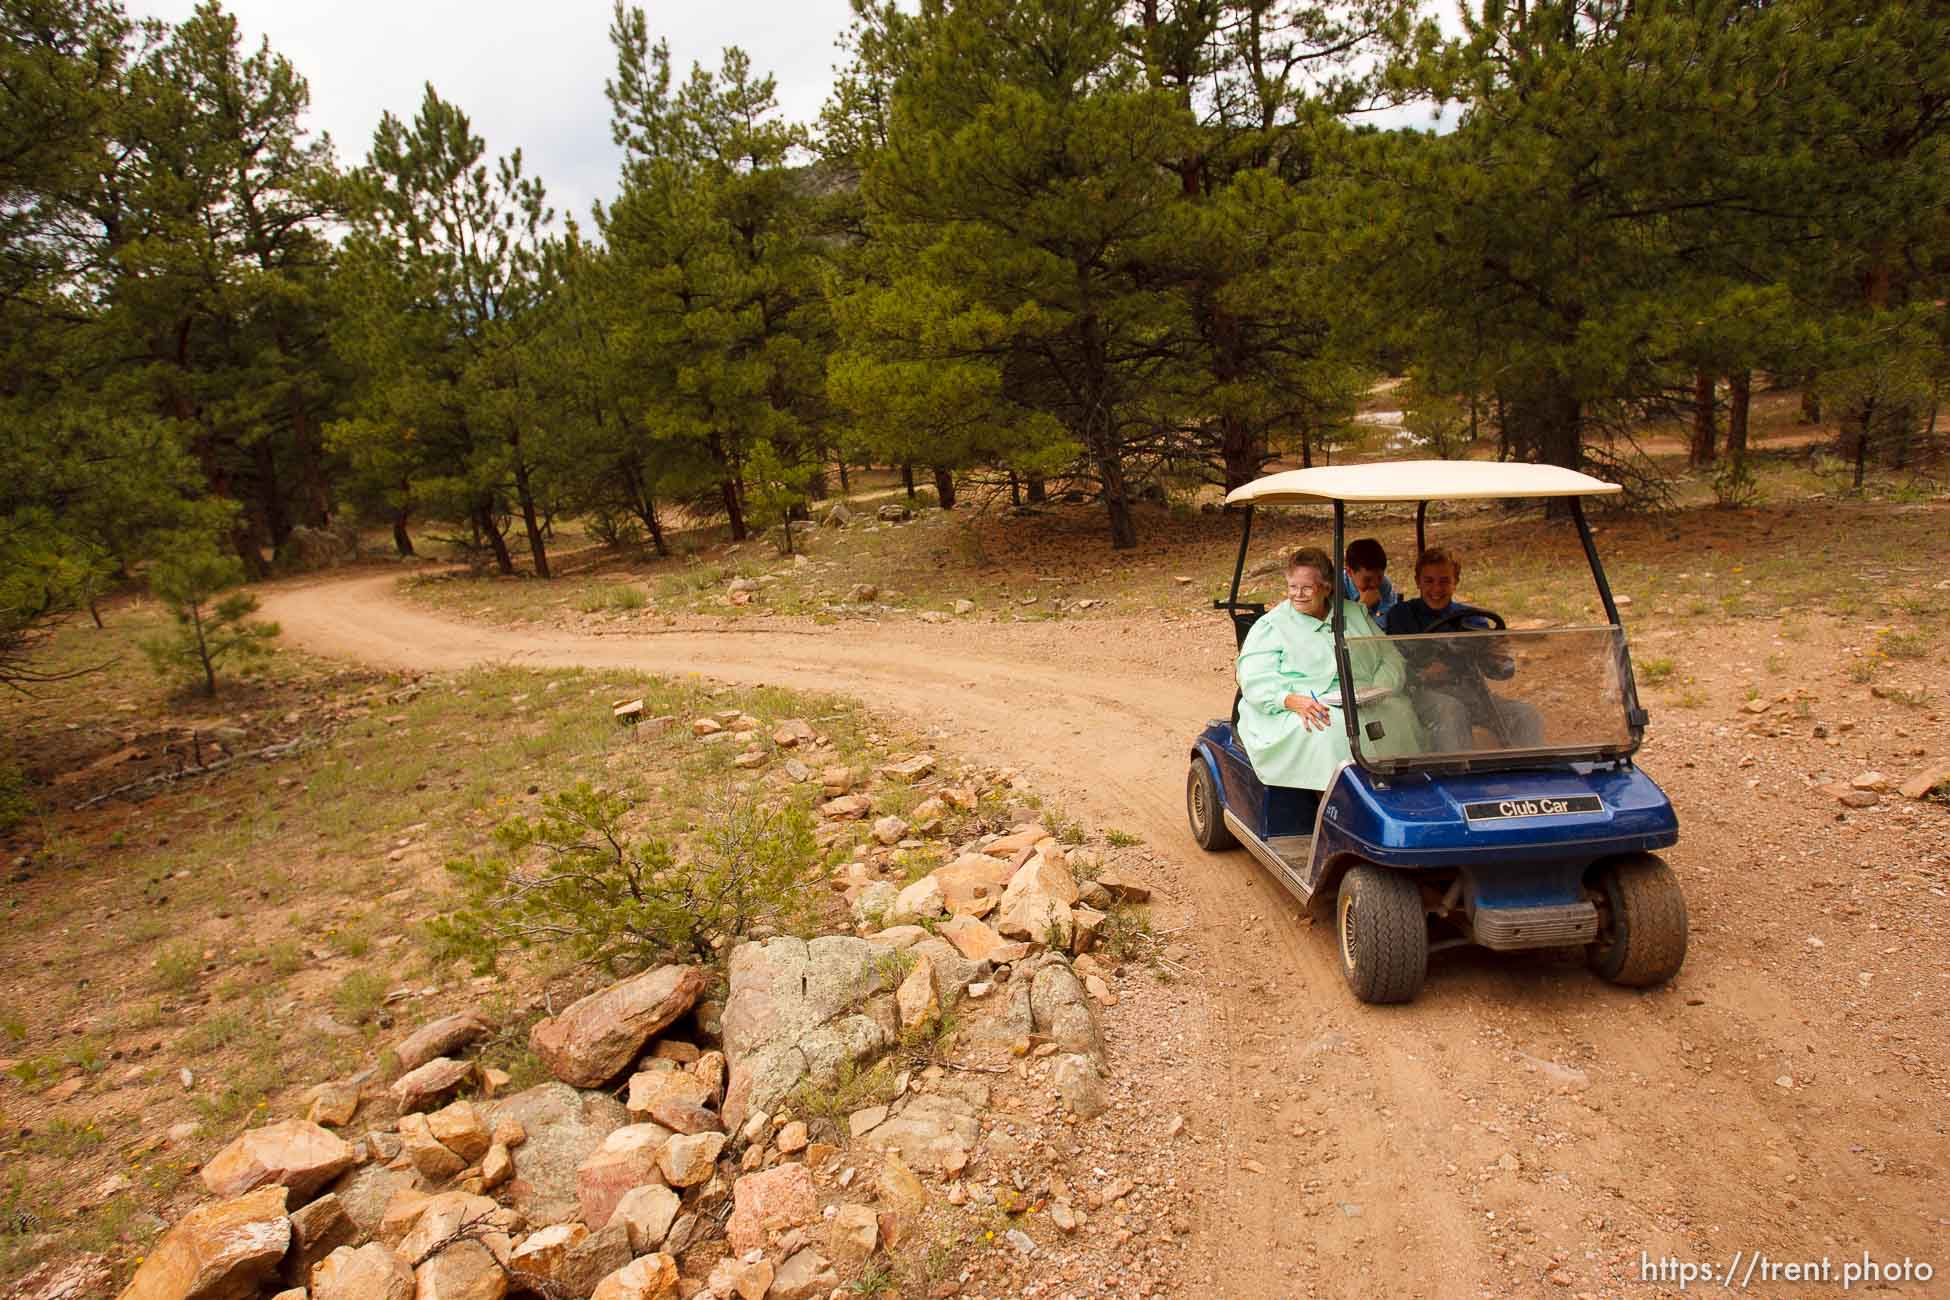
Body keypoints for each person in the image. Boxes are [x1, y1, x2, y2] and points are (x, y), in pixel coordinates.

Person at [1235, 547, 1426, 789]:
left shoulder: (1354, 613)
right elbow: (1254, 679)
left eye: (1306, 587)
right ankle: (1335, 809)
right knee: (1331, 729)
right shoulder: (1272, 626)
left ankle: (1402, 799)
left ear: (1326, 587)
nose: (1297, 595)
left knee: (1400, 714)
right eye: (1293, 587)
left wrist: (1380, 688)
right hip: (1298, 706)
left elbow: (1391, 657)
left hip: (1365, 699)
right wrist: (1292, 701)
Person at [1383, 546, 1545, 751]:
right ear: (1418, 581)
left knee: (1526, 714)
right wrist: (1423, 674)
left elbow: (1502, 671)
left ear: (1455, 582)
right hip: (1422, 693)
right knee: (1451, 710)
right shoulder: (1402, 615)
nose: (1436, 589)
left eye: (1444, 581)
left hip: (1471, 691)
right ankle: (1455, 777)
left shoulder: (1472, 618)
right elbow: (1395, 663)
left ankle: (1530, 776)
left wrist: (1497, 657)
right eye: (1429, 581)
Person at [1340, 537, 1399, 618]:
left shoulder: (1384, 584)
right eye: (1367, 579)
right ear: (1350, 572)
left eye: (1379, 577)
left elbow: (1389, 619)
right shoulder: (1338, 588)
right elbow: (1341, 627)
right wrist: (1362, 607)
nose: (1374, 584)